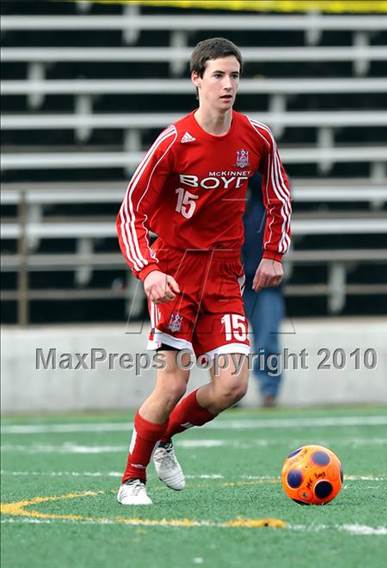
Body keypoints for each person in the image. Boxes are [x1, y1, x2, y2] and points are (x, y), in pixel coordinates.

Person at [116, 37, 291, 505]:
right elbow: (129, 212)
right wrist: (148, 270)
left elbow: (278, 196)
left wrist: (273, 252)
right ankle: (131, 481)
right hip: (174, 272)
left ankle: (163, 439)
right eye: (218, 75)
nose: (228, 84)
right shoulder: (174, 141)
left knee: (233, 384)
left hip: (225, 274)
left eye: (234, 75)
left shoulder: (256, 137)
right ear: (197, 80)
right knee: (172, 383)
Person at [242, 173, 286, 407]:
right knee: (223, 343)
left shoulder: (264, 194)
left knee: (267, 338)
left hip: (264, 281)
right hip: (228, 280)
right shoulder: (220, 193)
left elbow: (276, 187)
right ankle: (226, 393)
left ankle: (270, 392)